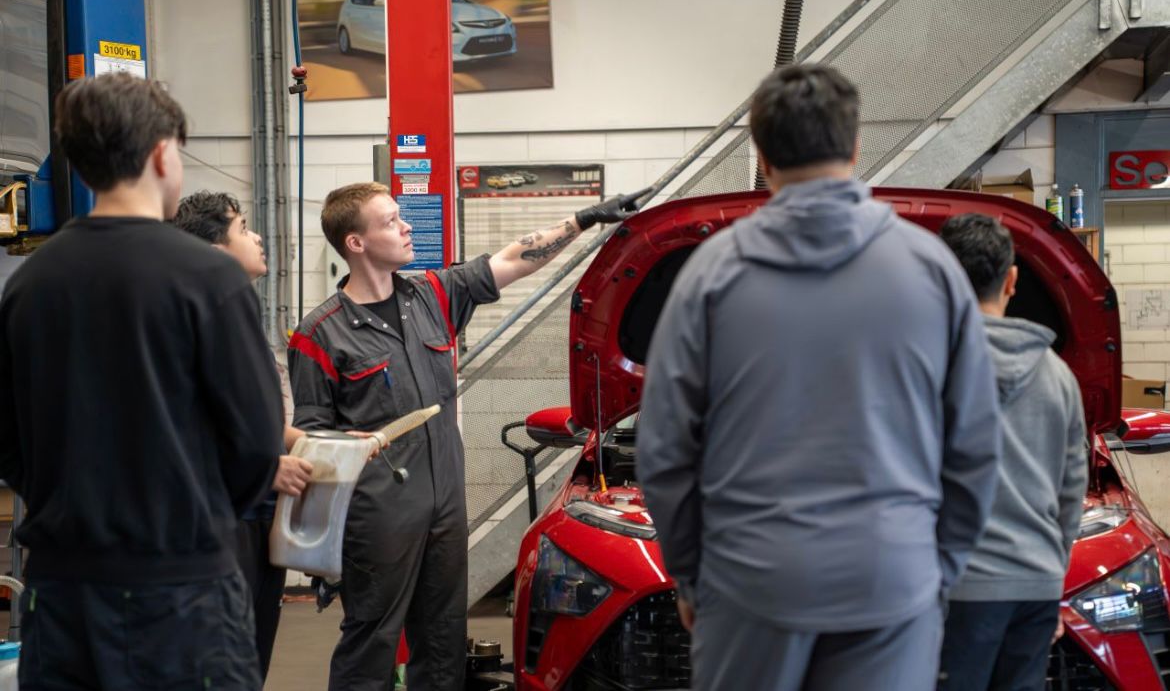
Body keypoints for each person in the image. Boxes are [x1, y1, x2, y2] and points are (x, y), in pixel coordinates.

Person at [636, 64, 1003, 691]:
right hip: (890, 578)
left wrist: (695, 576)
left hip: (749, 580)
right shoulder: (932, 270)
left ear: (761, 156)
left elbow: (665, 449)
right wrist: (933, 570)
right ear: (857, 146)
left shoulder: (712, 275)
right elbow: (974, 446)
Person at [288, 181, 636, 690]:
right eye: (389, 221)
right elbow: (310, 440)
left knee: (443, 639)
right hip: (377, 518)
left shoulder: (431, 295)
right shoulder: (320, 334)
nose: (406, 226)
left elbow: (515, 259)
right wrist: (346, 450)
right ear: (355, 243)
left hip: (445, 508)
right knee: (372, 641)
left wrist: (583, 220)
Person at [0, 73, 283, 689]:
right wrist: (194, 514)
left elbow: (7, 438)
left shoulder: (28, 284)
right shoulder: (209, 279)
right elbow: (257, 443)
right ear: (161, 153)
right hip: (180, 593)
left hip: (61, 591)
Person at [936, 213, 1087, 691]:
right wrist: (1051, 577)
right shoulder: (1058, 375)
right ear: (1013, 280)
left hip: (955, 587)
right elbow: (1072, 490)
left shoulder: (925, 367)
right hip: (1035, 584)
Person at [173, 190, 315, 682]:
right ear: (214, 248)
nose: (257, 237)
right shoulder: (194, 312)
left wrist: (322, 443)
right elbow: (184, 420)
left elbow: (244, 419)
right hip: (220, 520)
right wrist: (264, 465)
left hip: (259, 513)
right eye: (243, 228)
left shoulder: (239, 310)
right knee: (222, 662)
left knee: (252, 659)